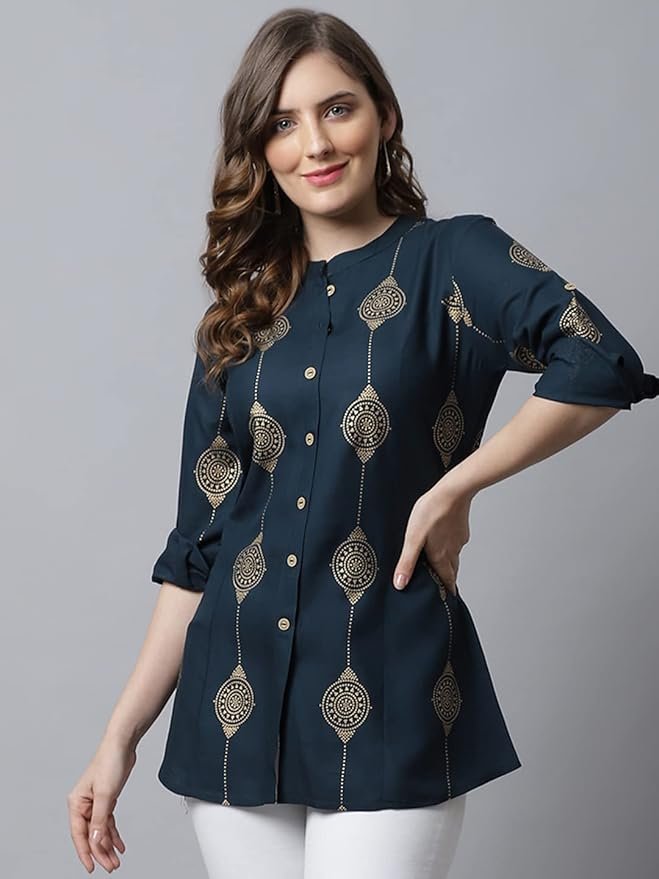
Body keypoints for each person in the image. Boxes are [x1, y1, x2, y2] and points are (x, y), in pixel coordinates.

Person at [66, 8, 659, 878]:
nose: (314, 143)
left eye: (336, 109)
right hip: (233, 707)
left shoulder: (452, 260)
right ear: (258, 148)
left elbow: (600, 359)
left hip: (389, 689)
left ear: (382, 113)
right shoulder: (238, 318)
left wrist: (456, 486)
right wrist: (117, 739)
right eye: (282, 123)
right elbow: (196, 552)